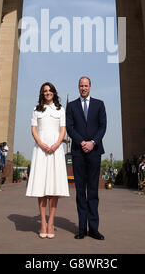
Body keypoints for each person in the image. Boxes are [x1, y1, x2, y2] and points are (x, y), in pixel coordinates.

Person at [26, 82, 69, 239]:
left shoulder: (60, 110)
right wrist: (41, 144)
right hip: (41, 150)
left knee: (54, 187)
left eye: (50, 90)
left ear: (54, 93)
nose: (48, 93)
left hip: (56, 150)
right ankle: (42, 223)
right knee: (42, 187)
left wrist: (57, 144)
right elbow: (33, 129)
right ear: (42, 93)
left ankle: (51, 223)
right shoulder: (36, 110)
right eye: (45, 91)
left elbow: (63, 129)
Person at [66, 76, 107, 240]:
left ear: (90, 87)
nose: (83, 88)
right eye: (81, 86)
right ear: (78, 87)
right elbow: (70, 127)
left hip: (94, 152)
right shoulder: (71, 106)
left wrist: (92, 142)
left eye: (86, 85)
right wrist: (82, 142)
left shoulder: (99, 104)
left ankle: (94, 229)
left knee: (93, 191)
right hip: (78, 152)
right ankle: (82, 228)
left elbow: (103, 126)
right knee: (80, 192)